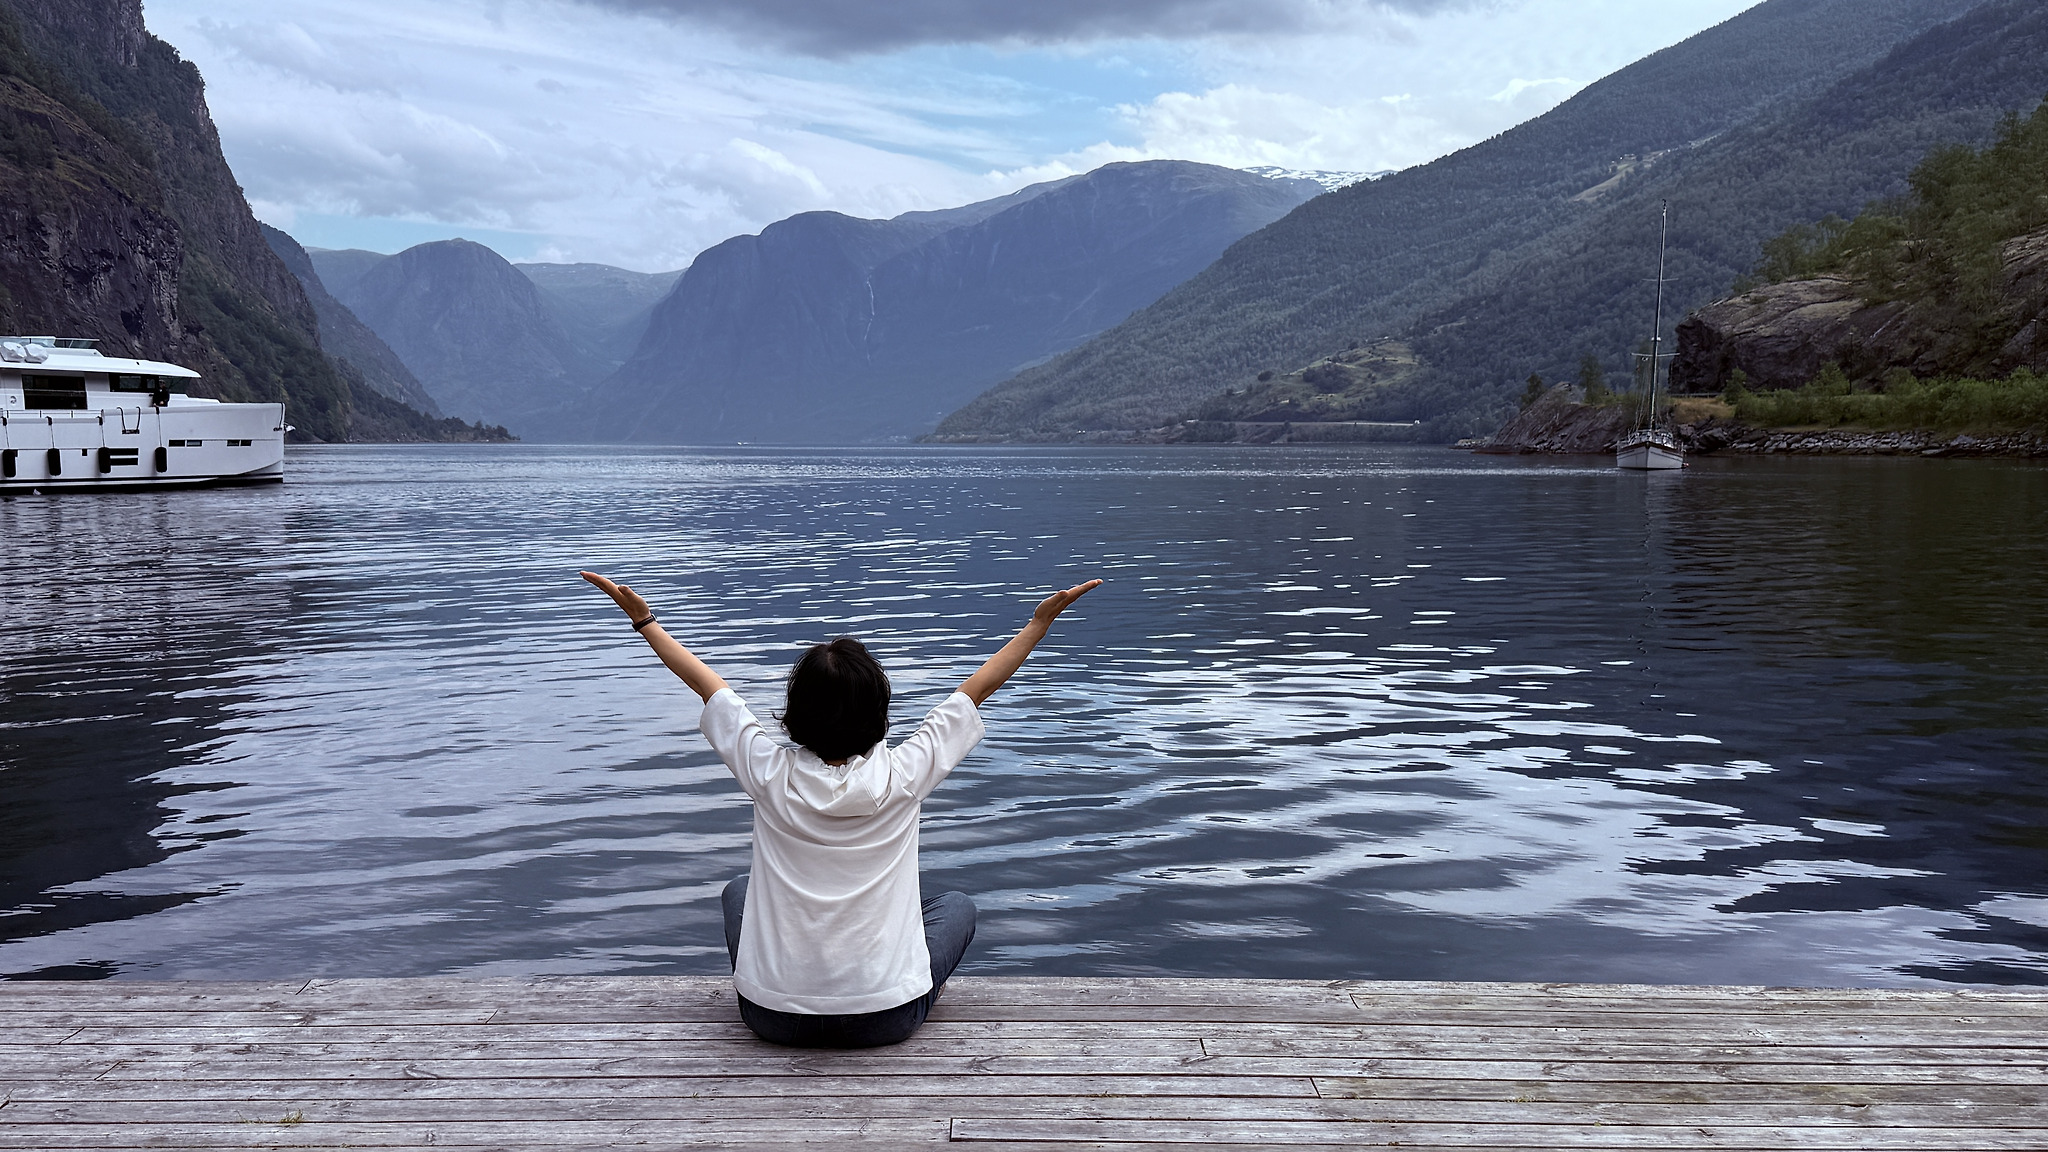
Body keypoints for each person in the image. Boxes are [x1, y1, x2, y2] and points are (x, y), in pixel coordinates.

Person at [580, 570, 1102, 1048]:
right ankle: (893, 980)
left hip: (772, 1016)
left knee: (739, 891)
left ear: (795, 714)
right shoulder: (906, 774)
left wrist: (645, 622)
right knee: (956, 906)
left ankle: (788, 980)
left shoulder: (766, 771)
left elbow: (706, 685)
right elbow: (979, 689)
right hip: (885, 1017)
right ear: (878, 711)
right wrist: (1038, 624)